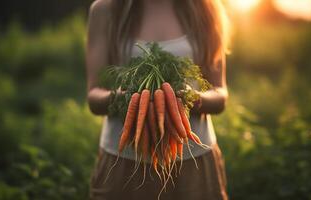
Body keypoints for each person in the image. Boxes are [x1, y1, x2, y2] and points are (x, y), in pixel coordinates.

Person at [85, 0, 230, 199]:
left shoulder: (205, 7)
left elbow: (220, 94)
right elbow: (94, 96)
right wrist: (125, 97)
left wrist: (191, 98)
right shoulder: (106, 10)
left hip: (194, 158)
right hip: (122, 162)